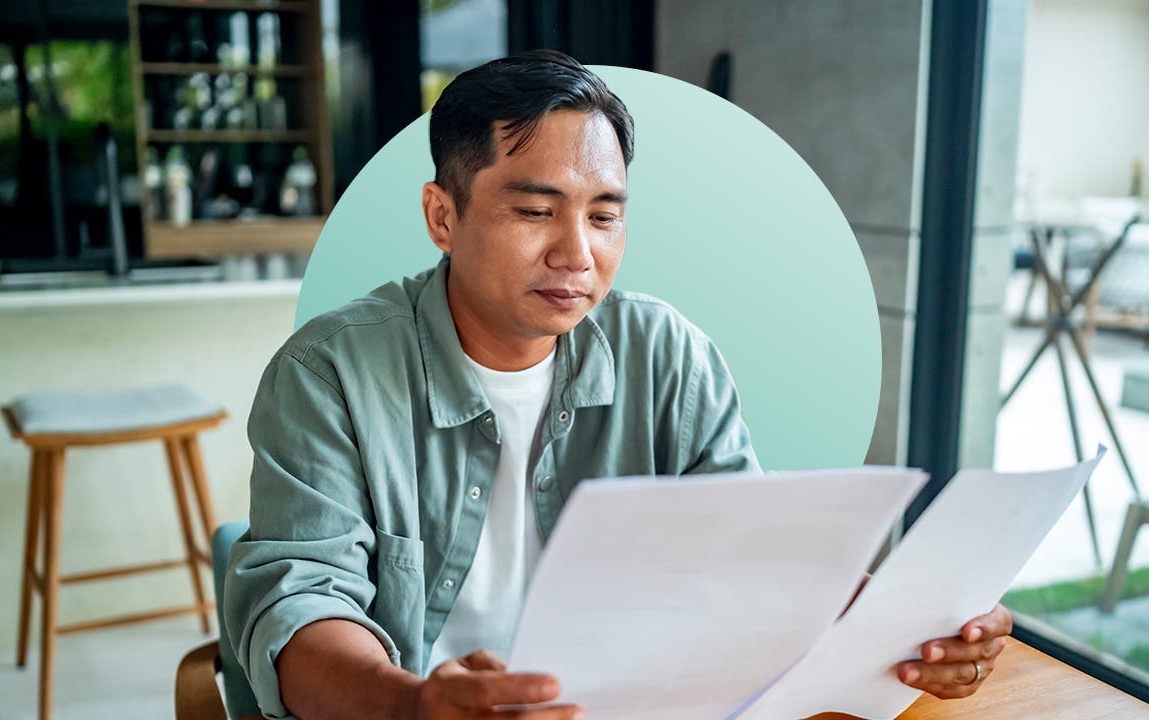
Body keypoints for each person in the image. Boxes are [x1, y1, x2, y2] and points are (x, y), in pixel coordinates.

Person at [225, 50, 1012, 720]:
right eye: (536, 210)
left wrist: (913, 620)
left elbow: (753, 557)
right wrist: (412, 705)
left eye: (605, 217)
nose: (577, 252)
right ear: (442, 216)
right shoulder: (328, 373)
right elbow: (299, 606)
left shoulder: (668, 353)